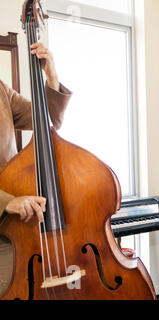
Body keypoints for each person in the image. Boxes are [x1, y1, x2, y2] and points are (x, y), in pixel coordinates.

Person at [0, 42, 71, 295]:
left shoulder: (1, 91)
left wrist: (51, 76)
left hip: (14, 228)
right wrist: (7, 201)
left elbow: (47, 119)